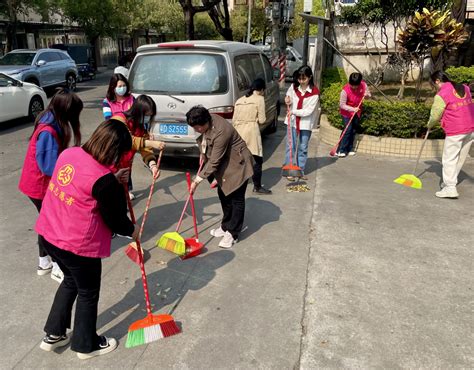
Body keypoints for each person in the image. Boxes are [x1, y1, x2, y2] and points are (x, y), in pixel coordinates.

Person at [35, 120, 139, 359]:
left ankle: (54, 334)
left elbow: (84, 180)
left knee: (70, 281)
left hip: (50, 235)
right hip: (78, 246)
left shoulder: (70, 153)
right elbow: (115, 218)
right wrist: (132, 230)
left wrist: (114, 178)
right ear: (114, 149)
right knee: (88, 292)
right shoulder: (104, 181)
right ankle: (85, 345)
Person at [18, 89, 83, 283]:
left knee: (47, 223)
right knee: (52, 226)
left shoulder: (51, 119)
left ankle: (44, 262)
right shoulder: (48, 130)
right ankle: (56, 265)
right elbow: (49, 167)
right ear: (65, 111)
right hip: (39, 186)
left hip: (39, 184)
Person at [187, 106, 254, 249]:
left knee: (236, 198)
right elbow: (205, 143)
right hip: (225, 164)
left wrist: (197, 180)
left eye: (198, 127)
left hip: (238, 164)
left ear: (206, 122)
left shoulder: (221, 130)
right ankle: (225, 226)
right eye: (194, 128)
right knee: (223, 194)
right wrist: (202, 154)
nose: (197, 130)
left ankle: (233, 232)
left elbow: (215, 160)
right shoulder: (206, 124)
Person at [427, 70, 474, 199]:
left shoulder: (442, 94)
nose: (434, 87)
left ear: (437, 81)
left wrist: (429, 125)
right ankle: (450, 182)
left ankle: (450, 187)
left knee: (449, 159)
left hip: (456, 130)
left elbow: (436, 114)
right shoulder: (464, 87)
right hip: (470, 128)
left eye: (433, 84)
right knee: (459, 157)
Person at [112, 95, 165, 199]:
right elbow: (126, 140)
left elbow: (146, 150)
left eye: (150, 115)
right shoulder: (119, 119)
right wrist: (151, 143)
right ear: (138, 111)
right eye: (146, 115)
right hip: (110, 167)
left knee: (122, 203)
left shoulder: (140, 127)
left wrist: (153, 166)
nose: (147, 118)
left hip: (125, 168)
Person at [232, 78, 271, 194]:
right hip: (251, 133)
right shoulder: (259, 99)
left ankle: (235, 184)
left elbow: (234, 120)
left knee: (240, 160)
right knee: (257, 161)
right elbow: (263, 120)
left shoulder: (239, 100)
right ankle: (257, 187)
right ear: (262, 89)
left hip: (238, 132)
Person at [284, 65, 320, 180]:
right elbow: (288, 97)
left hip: (305, 123)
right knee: (291, 146)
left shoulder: (314, 92)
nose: (301, 81)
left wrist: (294, 111)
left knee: (303, 147)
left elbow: (308, 111)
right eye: (299, 78)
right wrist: (287, 99)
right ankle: (290, 169)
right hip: (293, 121)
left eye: (303, 79)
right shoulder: (294, 86)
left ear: (309, 77)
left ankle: (300, 170)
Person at [337, 72, 371, 158]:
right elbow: (342, 105)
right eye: (352, 85)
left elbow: (368, 95)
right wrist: (352, 109)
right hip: (346, 112)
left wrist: (367, 96)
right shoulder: (345, 91)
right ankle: (341, 150)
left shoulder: (363, 85)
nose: (354, 87)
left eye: (356, 85)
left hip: (357, 111)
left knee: (353, 130)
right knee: (347, 130)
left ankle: (349, 148)